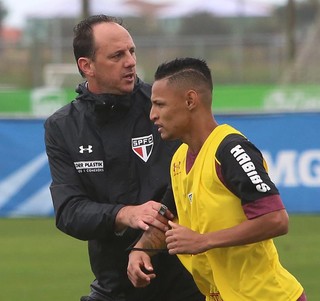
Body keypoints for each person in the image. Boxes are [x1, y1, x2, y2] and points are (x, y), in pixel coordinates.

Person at [44, 16, 204, 301]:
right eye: (117, 55)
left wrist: (144, 245)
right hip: (114, 286)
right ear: (87, 66)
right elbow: (69, 211)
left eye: (131, 51)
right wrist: (124, 214)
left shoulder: (166, 107)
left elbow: (189, 188)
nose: (130, 61)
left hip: (189, 282)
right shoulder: (63, 127)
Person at [127, 57, 307, 301]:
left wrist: (204, 241)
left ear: (190, 100)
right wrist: (141, 249)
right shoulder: (180, 157)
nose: (152, 115)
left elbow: (276, 219)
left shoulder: (231, 150)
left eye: (160, 105)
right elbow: (167, 215)